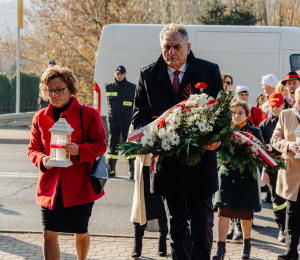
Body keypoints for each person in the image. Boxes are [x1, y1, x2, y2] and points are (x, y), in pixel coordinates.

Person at [132, 23, 223, 260]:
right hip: (167, 165)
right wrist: (155, 136)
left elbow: (222, 115)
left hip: (200, 165)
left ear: (188, 46)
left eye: (177, 46)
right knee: (177, 228)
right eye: (166, 47)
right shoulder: (147, 75)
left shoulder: (208, 70)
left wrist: (217, 141)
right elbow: (138, 118)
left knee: (202, 226)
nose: (171, 52)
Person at [28, 66, 106, 260]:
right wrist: (43, 160)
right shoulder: (39, 117)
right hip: (50, 188)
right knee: (49, 234)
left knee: (80, 231)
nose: (54, 94)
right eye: (50, 90)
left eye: (59, 89)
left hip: (80, 186)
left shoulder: (87, 113)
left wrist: (80, 150)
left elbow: (101, 145)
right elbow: (32, 150)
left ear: (70, 89)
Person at [213, 101, 263, 260]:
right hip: (227, 177)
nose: (236, 115)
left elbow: (261, 154)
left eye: (240, 112)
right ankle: (221, 249)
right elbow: (216, 152)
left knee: (245, 215)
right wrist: (222, 159)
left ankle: (246, 245)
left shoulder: (254, 131)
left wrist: (248, 159)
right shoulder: (225, 131)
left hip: (246, 179)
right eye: (234, 113)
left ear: (247, 115)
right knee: (223, 213)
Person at [271, 87, 300, 260]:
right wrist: (288, 146)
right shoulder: (286, 114)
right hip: (292, 171)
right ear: (294, 98)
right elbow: (275, 139)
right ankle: (291, 251)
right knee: (292, 212)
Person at [129, 134, 168, 258]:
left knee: (163, 204)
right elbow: (131, 136)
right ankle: (137, 244)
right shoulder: (138, 115)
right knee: (141, 205)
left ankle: (163, 241)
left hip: (163, 162)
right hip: (144, 163)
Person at [259, 93, 286, 243]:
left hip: (291, 167)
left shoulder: (292, 121)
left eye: (278, 105)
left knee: (293, 199)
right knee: (277, 200)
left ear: (283, 105)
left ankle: (291, 229)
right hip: (272, 168)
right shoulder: (264, 125)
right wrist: (264, 170)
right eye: (273, 106)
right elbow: (261, 151)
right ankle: (281, 229)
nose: (275, 109)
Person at [106, 65, 136, 179]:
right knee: (112, 147)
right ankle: (111, 169)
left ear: (125, 74)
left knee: (129, 146)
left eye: (121, 74)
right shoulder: (109, 87)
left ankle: (131, 170)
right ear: (115, 74)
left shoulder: (132, 88)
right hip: (113, 121)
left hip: (126, 121)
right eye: (117, 74)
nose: (119, 76)